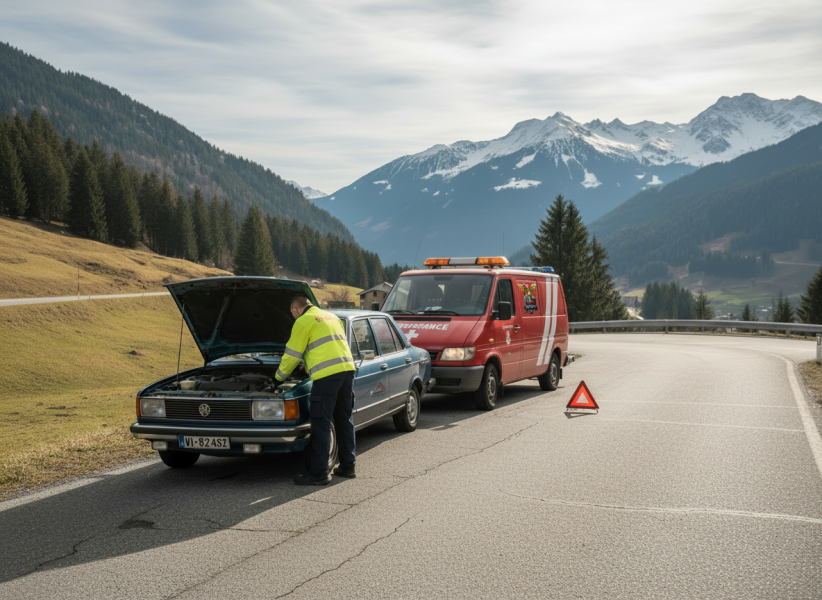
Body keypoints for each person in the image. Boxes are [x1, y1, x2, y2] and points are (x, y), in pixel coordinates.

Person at [275, 295, 356, 485]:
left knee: (321, 422)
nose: (293, 316)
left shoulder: (303, 321)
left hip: (326, 377)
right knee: (344, 420)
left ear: (295, 310)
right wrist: (308, 363)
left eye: (292, 313)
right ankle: (348, 466)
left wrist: (277, 378)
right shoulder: (331, 317)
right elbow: (326, 347)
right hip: (347, 372)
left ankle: (319, 473)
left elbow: (292, 355)